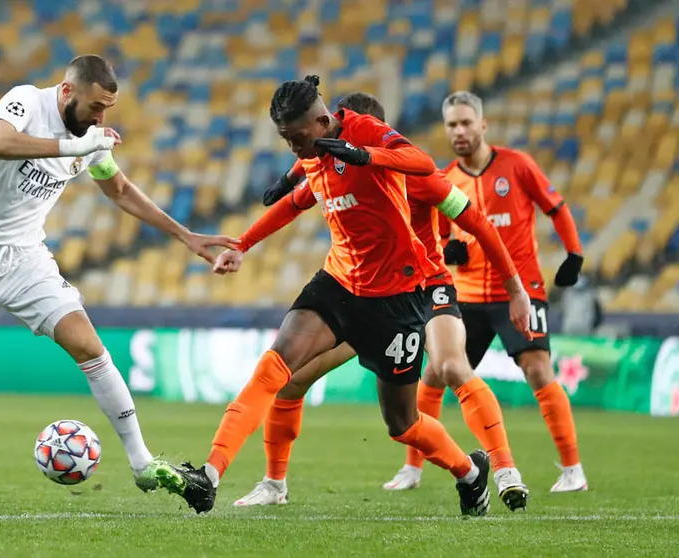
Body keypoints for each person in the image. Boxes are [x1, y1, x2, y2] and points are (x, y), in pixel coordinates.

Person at [0, 55, 238, 505]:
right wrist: (72, 148)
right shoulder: (27, 101)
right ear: (67, 92)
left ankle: (142, 463)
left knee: (90, 348)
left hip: (26, 259)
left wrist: (186, 235)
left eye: (107, 110)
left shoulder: (91, 140)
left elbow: (120, 190)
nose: (100, 119)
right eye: (95, 107)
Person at [154, 76, 491, 517]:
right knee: (275, 368)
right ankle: (210, 475)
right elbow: (296, 200)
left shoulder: (367, 135)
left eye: (297, 137)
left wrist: (365, 155)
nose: (295, 148)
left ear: (323, 121)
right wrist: (243, 244)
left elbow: (423, 163)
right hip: (340, 285)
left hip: (397, 298)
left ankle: (470, 471)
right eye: (286, 140)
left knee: (402, 424)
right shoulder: (313, 154)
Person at [233, 92, 532, 511]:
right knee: (293, 380)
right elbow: (301, 190)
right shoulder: (335, 168)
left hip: (427, 286)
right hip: (372, 296)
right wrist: (273, 198)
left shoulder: (415, 174)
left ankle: (504, 469)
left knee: (449, 366)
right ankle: (274, 483)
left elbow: (476, 222)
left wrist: (515, 289)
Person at [439, 91, 588, 492]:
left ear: (483, 124)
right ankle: (412, 469)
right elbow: (437, 232)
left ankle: (573, 470)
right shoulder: (446, 179)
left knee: (537, 368)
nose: (459, 131)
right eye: (452, 124)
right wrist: (446, 247)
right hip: (467, 294)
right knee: (437, 372)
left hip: (520, 290)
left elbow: (556, 207)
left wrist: (574, 253)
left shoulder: (517, 165)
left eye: (466, 122)